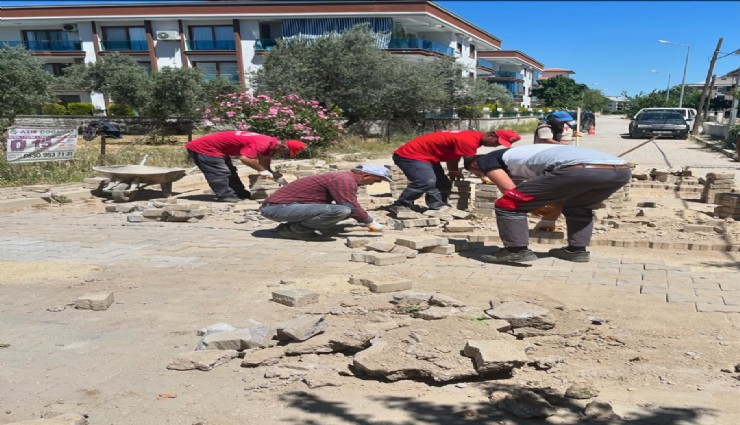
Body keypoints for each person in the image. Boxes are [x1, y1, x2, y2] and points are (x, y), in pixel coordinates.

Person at [464, 144, 631, 264]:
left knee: (507, 204)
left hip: (580, 170)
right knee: (578, 206)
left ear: (474, 165)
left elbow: (508, 190)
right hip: (620, 171)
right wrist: (547, 211)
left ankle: (516, 251)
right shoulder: (523, 155)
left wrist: (531, 205)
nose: (483, 177)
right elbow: (557, 190)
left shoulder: (486, 159)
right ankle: (576, 251)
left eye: (478, 174)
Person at [388, 129, 521, 214]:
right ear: (491, 134)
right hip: (410, 155)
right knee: (425, 181)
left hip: (427, 157)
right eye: (496, 142)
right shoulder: (469, 141)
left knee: (443, 183)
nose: (496, 146)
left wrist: (453, 170)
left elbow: (454, 155)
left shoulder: (474, 137)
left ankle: (436, 206)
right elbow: (471, 164)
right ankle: (400, 205)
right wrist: (484, 173)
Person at [260, 164, 391, 241]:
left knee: (343, 210)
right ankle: (294, 230)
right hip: (277, 208)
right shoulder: (345, 180)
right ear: (366, 176)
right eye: (376, 180)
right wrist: (371, 223)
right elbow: (350, 205)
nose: (374, 183)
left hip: (287, 207)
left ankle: (289, 228)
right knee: (342, 210)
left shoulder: (344, 178)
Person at [185, 130, 306, 203]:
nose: (282, 155)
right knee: (220, 172)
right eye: (285, 153)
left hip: (216, 149)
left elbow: (264, 161)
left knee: (231, 171)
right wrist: (262, 171)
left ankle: (240, 193)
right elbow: (245, 158)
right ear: (282, 147)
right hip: (204, 148)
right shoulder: (262, 143)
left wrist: (271, 173)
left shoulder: (270, 145)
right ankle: (226, 196)